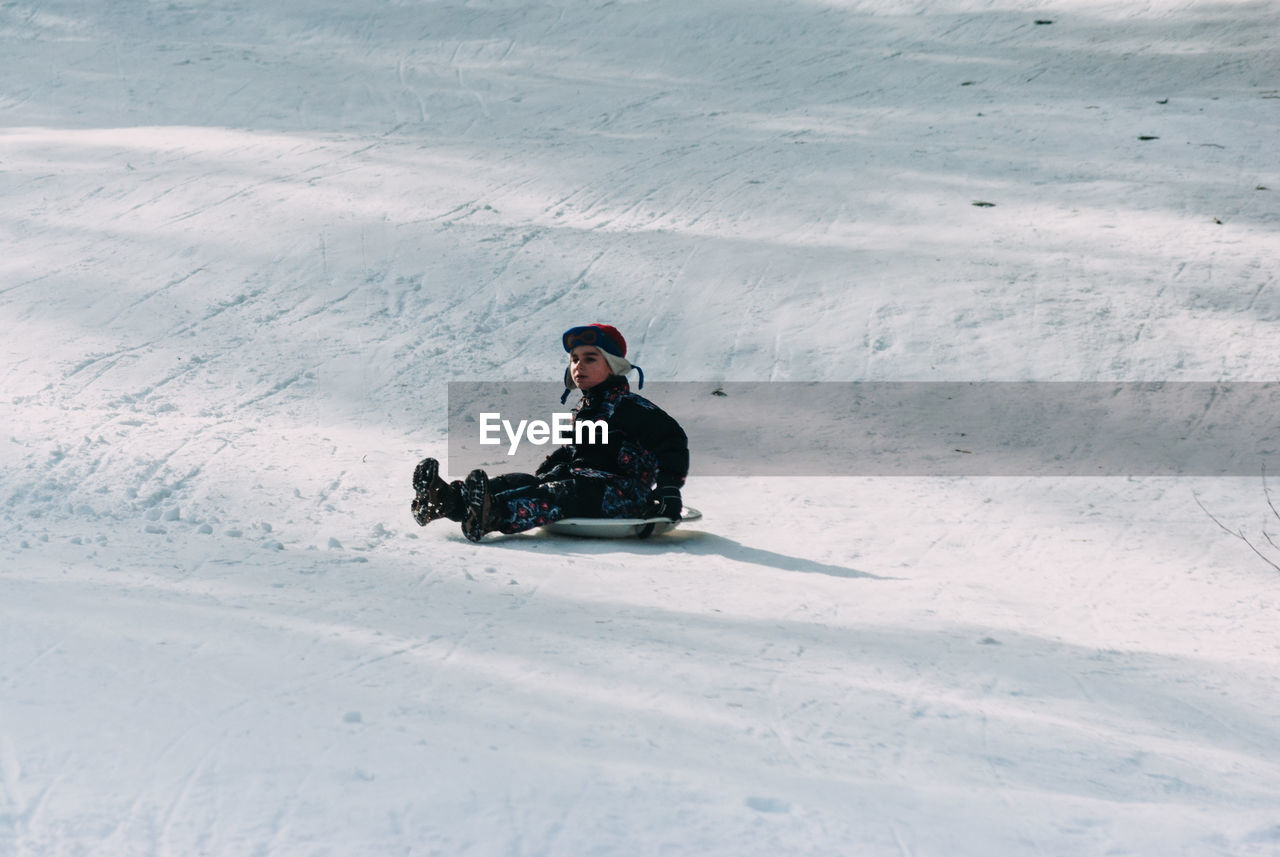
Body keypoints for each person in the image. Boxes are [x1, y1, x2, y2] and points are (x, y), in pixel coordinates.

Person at [411, 323, 689, 542]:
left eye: (590, 358)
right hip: (586, 482)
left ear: (614, 364)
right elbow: (583, 450)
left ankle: (492, 514)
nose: (579, 365)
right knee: (525, 480)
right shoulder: (586, 408)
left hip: (624, 493)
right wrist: (559, 459)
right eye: (574, 359)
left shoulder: (632, 408)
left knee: (560, 492)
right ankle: (449, 501)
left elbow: (672, 440)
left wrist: (668, 489)